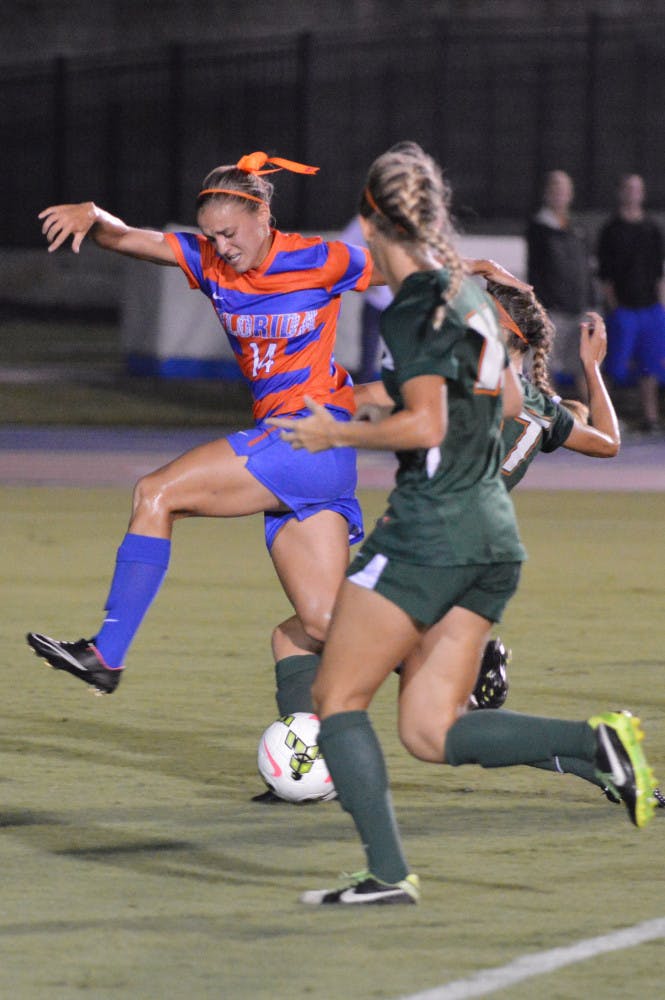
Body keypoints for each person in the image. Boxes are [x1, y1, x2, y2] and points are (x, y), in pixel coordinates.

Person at [270, 141, 659, 905]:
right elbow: (509, 405)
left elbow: (424, 426)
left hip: (430, 529)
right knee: (428, 732)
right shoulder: (472, 300)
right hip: (492, 538)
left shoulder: (417, 306)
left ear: (373, 222)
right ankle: (594, 743)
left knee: (336, 697)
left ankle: (385, 875)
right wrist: (379, 403)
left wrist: (339, 430)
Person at [26, 152, 376, 737]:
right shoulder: (209, 260)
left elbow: (411, 272)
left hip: (307, 437)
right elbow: (130, 240)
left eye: (231, 233)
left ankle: (108, 652)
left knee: (155, 492)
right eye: (212, 234)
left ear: (264, 217)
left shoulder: (319, 258)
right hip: (304, 460)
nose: (222, 245)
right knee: (321, 622)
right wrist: (93, 214)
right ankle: (460, 665)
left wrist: (481, 273)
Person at [597, 173, 665, 433]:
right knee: (614, 365)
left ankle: (650, 418)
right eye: (627, 188)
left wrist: (661, 307)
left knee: (650, 366)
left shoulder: (652, 229)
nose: (632, 193)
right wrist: (614, 306)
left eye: (637, 189)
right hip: (623, 310)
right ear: (620, 193)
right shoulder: (610, 230)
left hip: (651, 310)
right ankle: (608, 419)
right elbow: (604, 275)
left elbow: (659, 272)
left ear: (642, 193)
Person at [527, 170, 591, 400]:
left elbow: (585, 268)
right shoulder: (539, 228)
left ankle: (591, 418)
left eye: (564, 189)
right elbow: (536, 269)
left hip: (578, 308)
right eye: (555, 189)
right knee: (546, 366)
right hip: (553, 310)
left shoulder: (577, 228)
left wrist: (590, 303)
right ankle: (554, 419)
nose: (560, 194)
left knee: (584, 365)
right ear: (547, 193)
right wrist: (541, 306)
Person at [339, 215, 393, 381]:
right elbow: (342, 248)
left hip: (401, 302)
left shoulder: (410, 219)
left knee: (400, 356)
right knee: (368, 357)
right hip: (375, 302)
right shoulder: (367, 221)